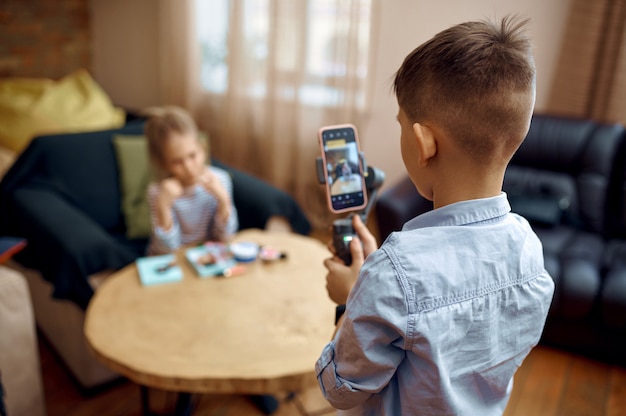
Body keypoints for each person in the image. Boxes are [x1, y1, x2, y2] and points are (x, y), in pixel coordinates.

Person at [315, 16, 555, 415]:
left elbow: (341, 388)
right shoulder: (529, 248)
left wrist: (353, 299)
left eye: (401, 127)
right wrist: (377, 280)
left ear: (424, 142)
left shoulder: (393, 275)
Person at [144, 106, 238, 255]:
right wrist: (163, 207)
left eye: (192, 155)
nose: (188, 167)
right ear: (164, 163)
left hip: (205, 258)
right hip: (172, 261)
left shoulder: (221, 180)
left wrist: (223, 199)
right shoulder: (158, 192)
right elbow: (167, 250)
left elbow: (226, 238)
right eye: (177, 162)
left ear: (203, 149)